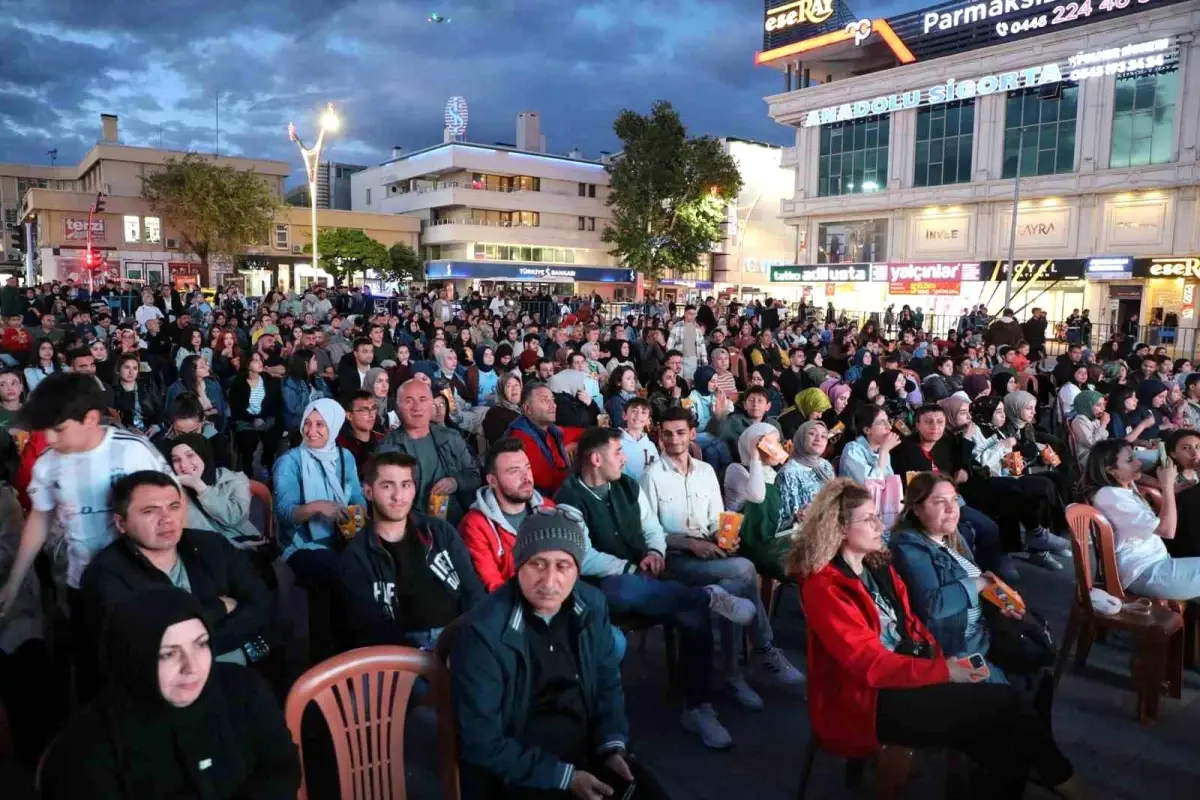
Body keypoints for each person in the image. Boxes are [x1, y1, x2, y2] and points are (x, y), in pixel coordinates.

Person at [788, 479, 1083, 799]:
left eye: (877, 516)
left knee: (1005, 733)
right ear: (840, 528)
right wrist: (944, 671)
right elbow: (868, 664)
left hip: (907, 674)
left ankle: (1047, 778)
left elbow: (913, 625)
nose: (880, 524)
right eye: (869, 519)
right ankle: (1068, 785)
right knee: (1006, 707)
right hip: (866, 700)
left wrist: (942, 660)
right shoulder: (824, 585)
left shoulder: (876, 566)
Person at [555, 427, 756, 749]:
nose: (624, 458)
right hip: (603, 586)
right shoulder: (568, 498)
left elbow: (651, 527)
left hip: (649, 576)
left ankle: (697, 707)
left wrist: (655, 552)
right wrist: (632, 567)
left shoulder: (627, 485)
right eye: (618, 452)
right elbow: (583, 556)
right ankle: (706, 596)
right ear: (595, 459)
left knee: (693, 616)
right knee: (623, 589)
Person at [451, 508, 669, 799]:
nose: (550, 581)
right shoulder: (483, 632)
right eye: (538, 564)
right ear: (519, 566)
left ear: (578, 570)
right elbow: (481, 742)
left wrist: (612, 745)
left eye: (563, 566)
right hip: (517, 771)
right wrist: (564, 778)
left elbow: (607, 683)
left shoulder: (590, 606)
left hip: (586, 751)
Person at [40, 587, 300, 799]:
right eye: (168, 654)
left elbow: (281, 768)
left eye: (201, 644)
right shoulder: (88, 746)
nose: (192, 667)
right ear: (132, 660)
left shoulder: (244, 689)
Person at [641, 408, 804, 709]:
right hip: (676, 558)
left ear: (692, 433)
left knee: (733, 587)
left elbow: (718, 520)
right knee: (744, 569)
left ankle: (734, 675)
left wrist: (724, 537)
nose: (674, 440)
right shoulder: (651, 476)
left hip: (711, 554)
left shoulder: (705, 472)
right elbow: (648, 533)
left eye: (680, 432)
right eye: (667, 433)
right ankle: (763, 648)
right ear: (659, 437)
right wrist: (690, 543)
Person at [0, 373, 170, 640]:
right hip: (79, 583)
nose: (51, 439)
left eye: (59, 429)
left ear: (90, 419)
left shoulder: (133, 452)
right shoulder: (48, 463)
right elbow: (40, 518)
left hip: (136, 582)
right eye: (45, 430)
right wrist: (14, 582)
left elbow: (174, 507)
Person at [79, 471, 272, 665]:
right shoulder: (105, 574)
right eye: (150, 511)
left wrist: (179, 637)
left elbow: (259, 603)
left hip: (245, 671)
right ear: (121, 523)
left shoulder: (210, 544)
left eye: (174, 507)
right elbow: (140, 646)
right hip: (165, 687)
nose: (167, 519)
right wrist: (219, 607)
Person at [338, 452, 483, 649]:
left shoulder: (439, 532)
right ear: (368, 492)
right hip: (403, 654)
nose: (398, 496)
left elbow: (473, 591)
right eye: (387, 485)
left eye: (405, 485)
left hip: (460, 637)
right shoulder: (358, 556)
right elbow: (371, 631)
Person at [890, 473, 1011, 683]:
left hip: (983, 633)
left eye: (954, 499)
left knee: (1036, 653)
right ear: (917, 509)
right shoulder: (909, 547)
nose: (951, 508)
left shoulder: (951, 538)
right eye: (939, 502)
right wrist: (979, 583)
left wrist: (1001, 603)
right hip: (958, 648)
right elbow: (933, 605)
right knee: (1014, 699)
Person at [273, 398, 366, 603]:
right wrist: (317, 507)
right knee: (338, 572)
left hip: (344, 537)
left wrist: (358, 517)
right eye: (307, 422)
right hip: (302, 544)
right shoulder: (290, 461)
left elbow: (358, 498)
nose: (310, 430)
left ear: (333, 426)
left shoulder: (344, 457)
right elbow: (284, 513)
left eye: (320, 424)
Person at [1085, 439, 1200, 600]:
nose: (1138, 463)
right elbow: (1167, 531)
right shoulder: (1111, 496)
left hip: (1154, 563)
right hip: (1143, 572)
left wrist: (1170, 487)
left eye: (1135, 457)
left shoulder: (1122, 487)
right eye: (1130, 460)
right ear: (1110, 470)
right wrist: (1166, 486)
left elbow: (1140, 478)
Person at [458, 438, 562, 592]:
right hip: (514, 604)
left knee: (595, 602)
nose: (526, 477)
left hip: (555, 591)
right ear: (492, 480)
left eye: (527, 467)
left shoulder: (547, 507)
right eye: (514, 471)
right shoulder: (475, 525)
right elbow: (493, 586)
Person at [379, 379, 480, 524]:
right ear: (398, 407)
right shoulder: (387, 448)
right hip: (409, 527)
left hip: (454, 524)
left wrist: (455, 482)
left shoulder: (451, 438)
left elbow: (474, 476)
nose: (417, 407)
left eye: (423, 399)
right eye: (409, 401)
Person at [161, 435, 264, 548]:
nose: (183, 465)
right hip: (212, 552)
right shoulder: (176, 493)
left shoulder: (234, 479)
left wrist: (200, 487)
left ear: (203, 454)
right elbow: (196, 535)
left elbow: (235, 518)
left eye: (190, 455)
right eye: (176, 460)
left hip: (249, 543)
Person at [507, 383, 575, 497]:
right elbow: (547, 481)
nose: (553, 405)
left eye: (553, 400)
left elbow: (572, 432)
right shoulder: (521, 438)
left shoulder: (549, 429)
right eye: (545, 400)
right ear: (527, 408)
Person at [777, 420, 835, 526]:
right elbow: (781, 519)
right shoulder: (788, 472)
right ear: (801, 437)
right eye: (812, 434)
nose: (818, 439)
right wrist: (798, 516)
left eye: (823, 436)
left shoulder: (825, 465)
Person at [336, 390, 386, 474]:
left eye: (373, 408)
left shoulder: (383, 440)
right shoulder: (340, 446)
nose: (371, 415)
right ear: (349, 416)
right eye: (364, 410)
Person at [1069, 390, 1109, 471]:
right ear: (1086, 405)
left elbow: (1104, 437)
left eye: (1103, 405)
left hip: (1097, 453)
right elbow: (1092, 443)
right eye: (1098, 405)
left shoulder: (1093, 419)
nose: (1103, 408)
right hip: (1088, 457)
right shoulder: (1079, 421)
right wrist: (1103, 424)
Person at [482, 372, 523, 447]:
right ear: (501, 390)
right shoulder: (495, 414)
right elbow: (499, 446)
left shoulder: (523, 409)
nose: (514, 389)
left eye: (517, 385)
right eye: (508, 386)